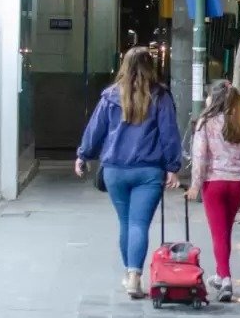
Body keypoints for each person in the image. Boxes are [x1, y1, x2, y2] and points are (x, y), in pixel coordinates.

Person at [75, 47, 182, 298]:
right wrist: (172, 167)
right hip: (149, 171)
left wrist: (83, 154)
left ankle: (129, 275)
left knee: (125, 222)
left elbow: (95, 130)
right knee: (139, 224)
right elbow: (169, 134)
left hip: (115, 171)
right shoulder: (161, 97)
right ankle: (135, 275)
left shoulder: (110, 96)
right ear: (150, 66)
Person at [185, 80, 240, 302]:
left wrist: (195, 185)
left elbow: (200, 157)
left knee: (218, 234)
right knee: (225, 232)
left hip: (213, 185)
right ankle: (221, 275)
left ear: (215, 99)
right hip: (235, 185)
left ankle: (226, 279)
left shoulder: (206, 122)